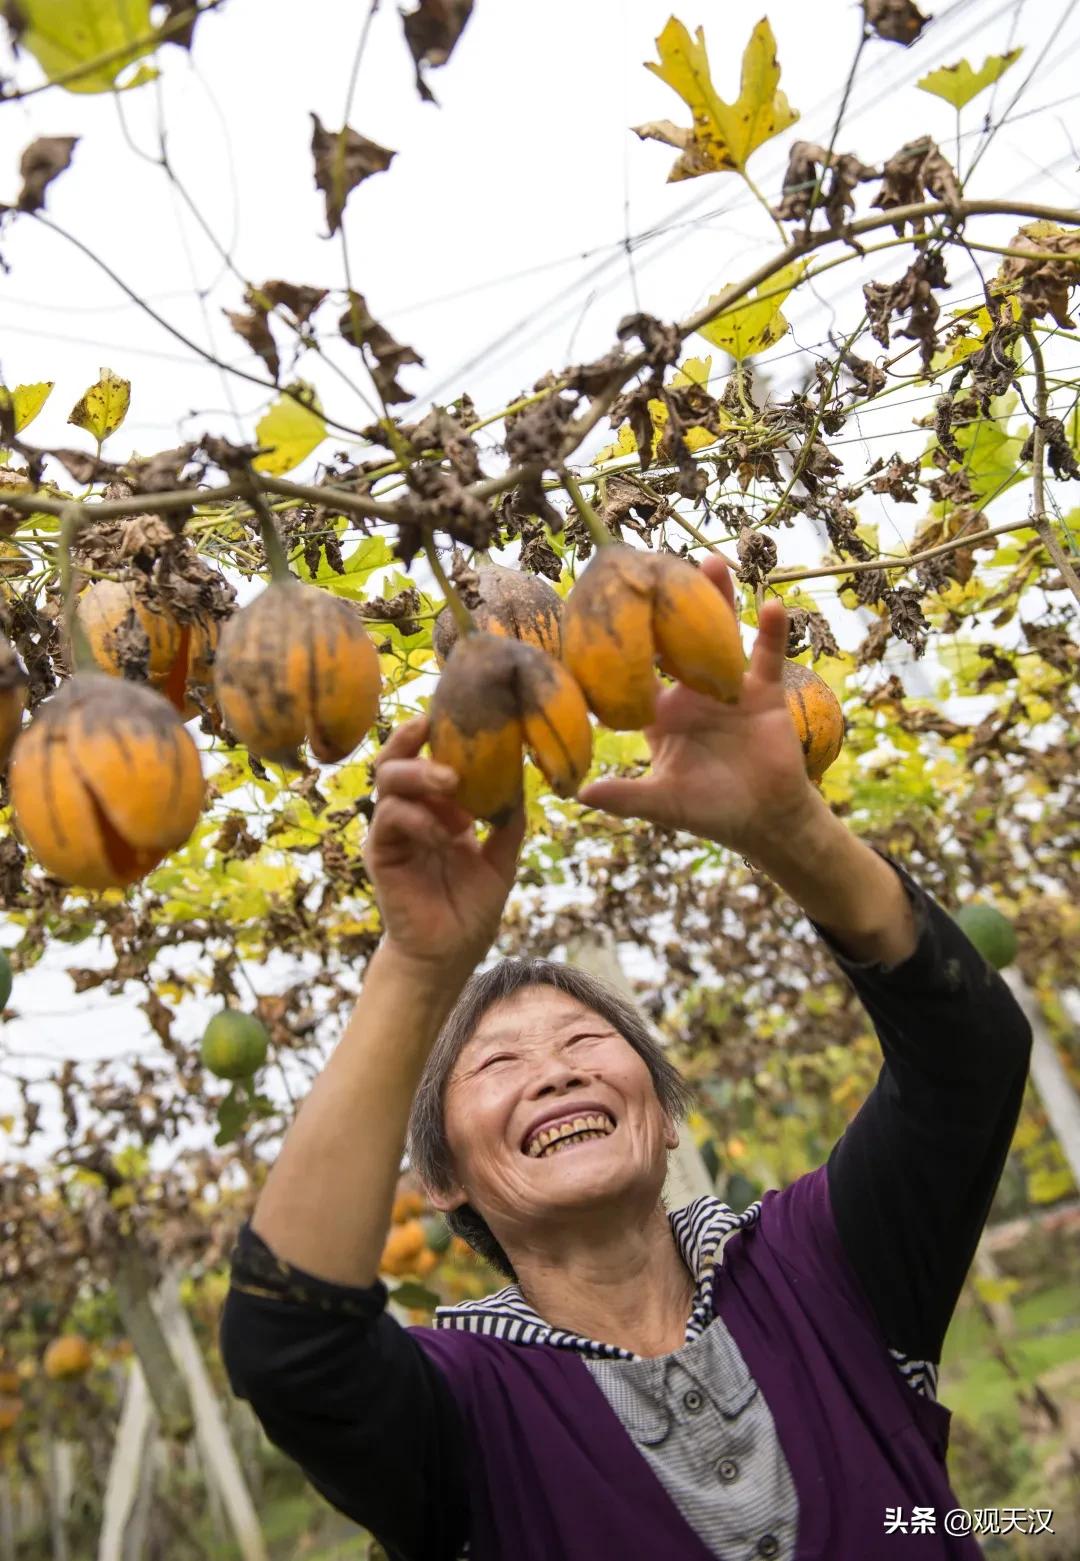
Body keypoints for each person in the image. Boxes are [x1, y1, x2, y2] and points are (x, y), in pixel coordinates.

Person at [220, 559, 1032, 1561]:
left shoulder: (819, 1265)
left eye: (585, 1041)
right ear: (437, 1176)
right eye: (498, 1065)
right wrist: (419, 968)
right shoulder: (458, 1403)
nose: (555, 1070)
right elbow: (288, 1347)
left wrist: (790, 832)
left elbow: (969, 1058)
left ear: (665, 1109)